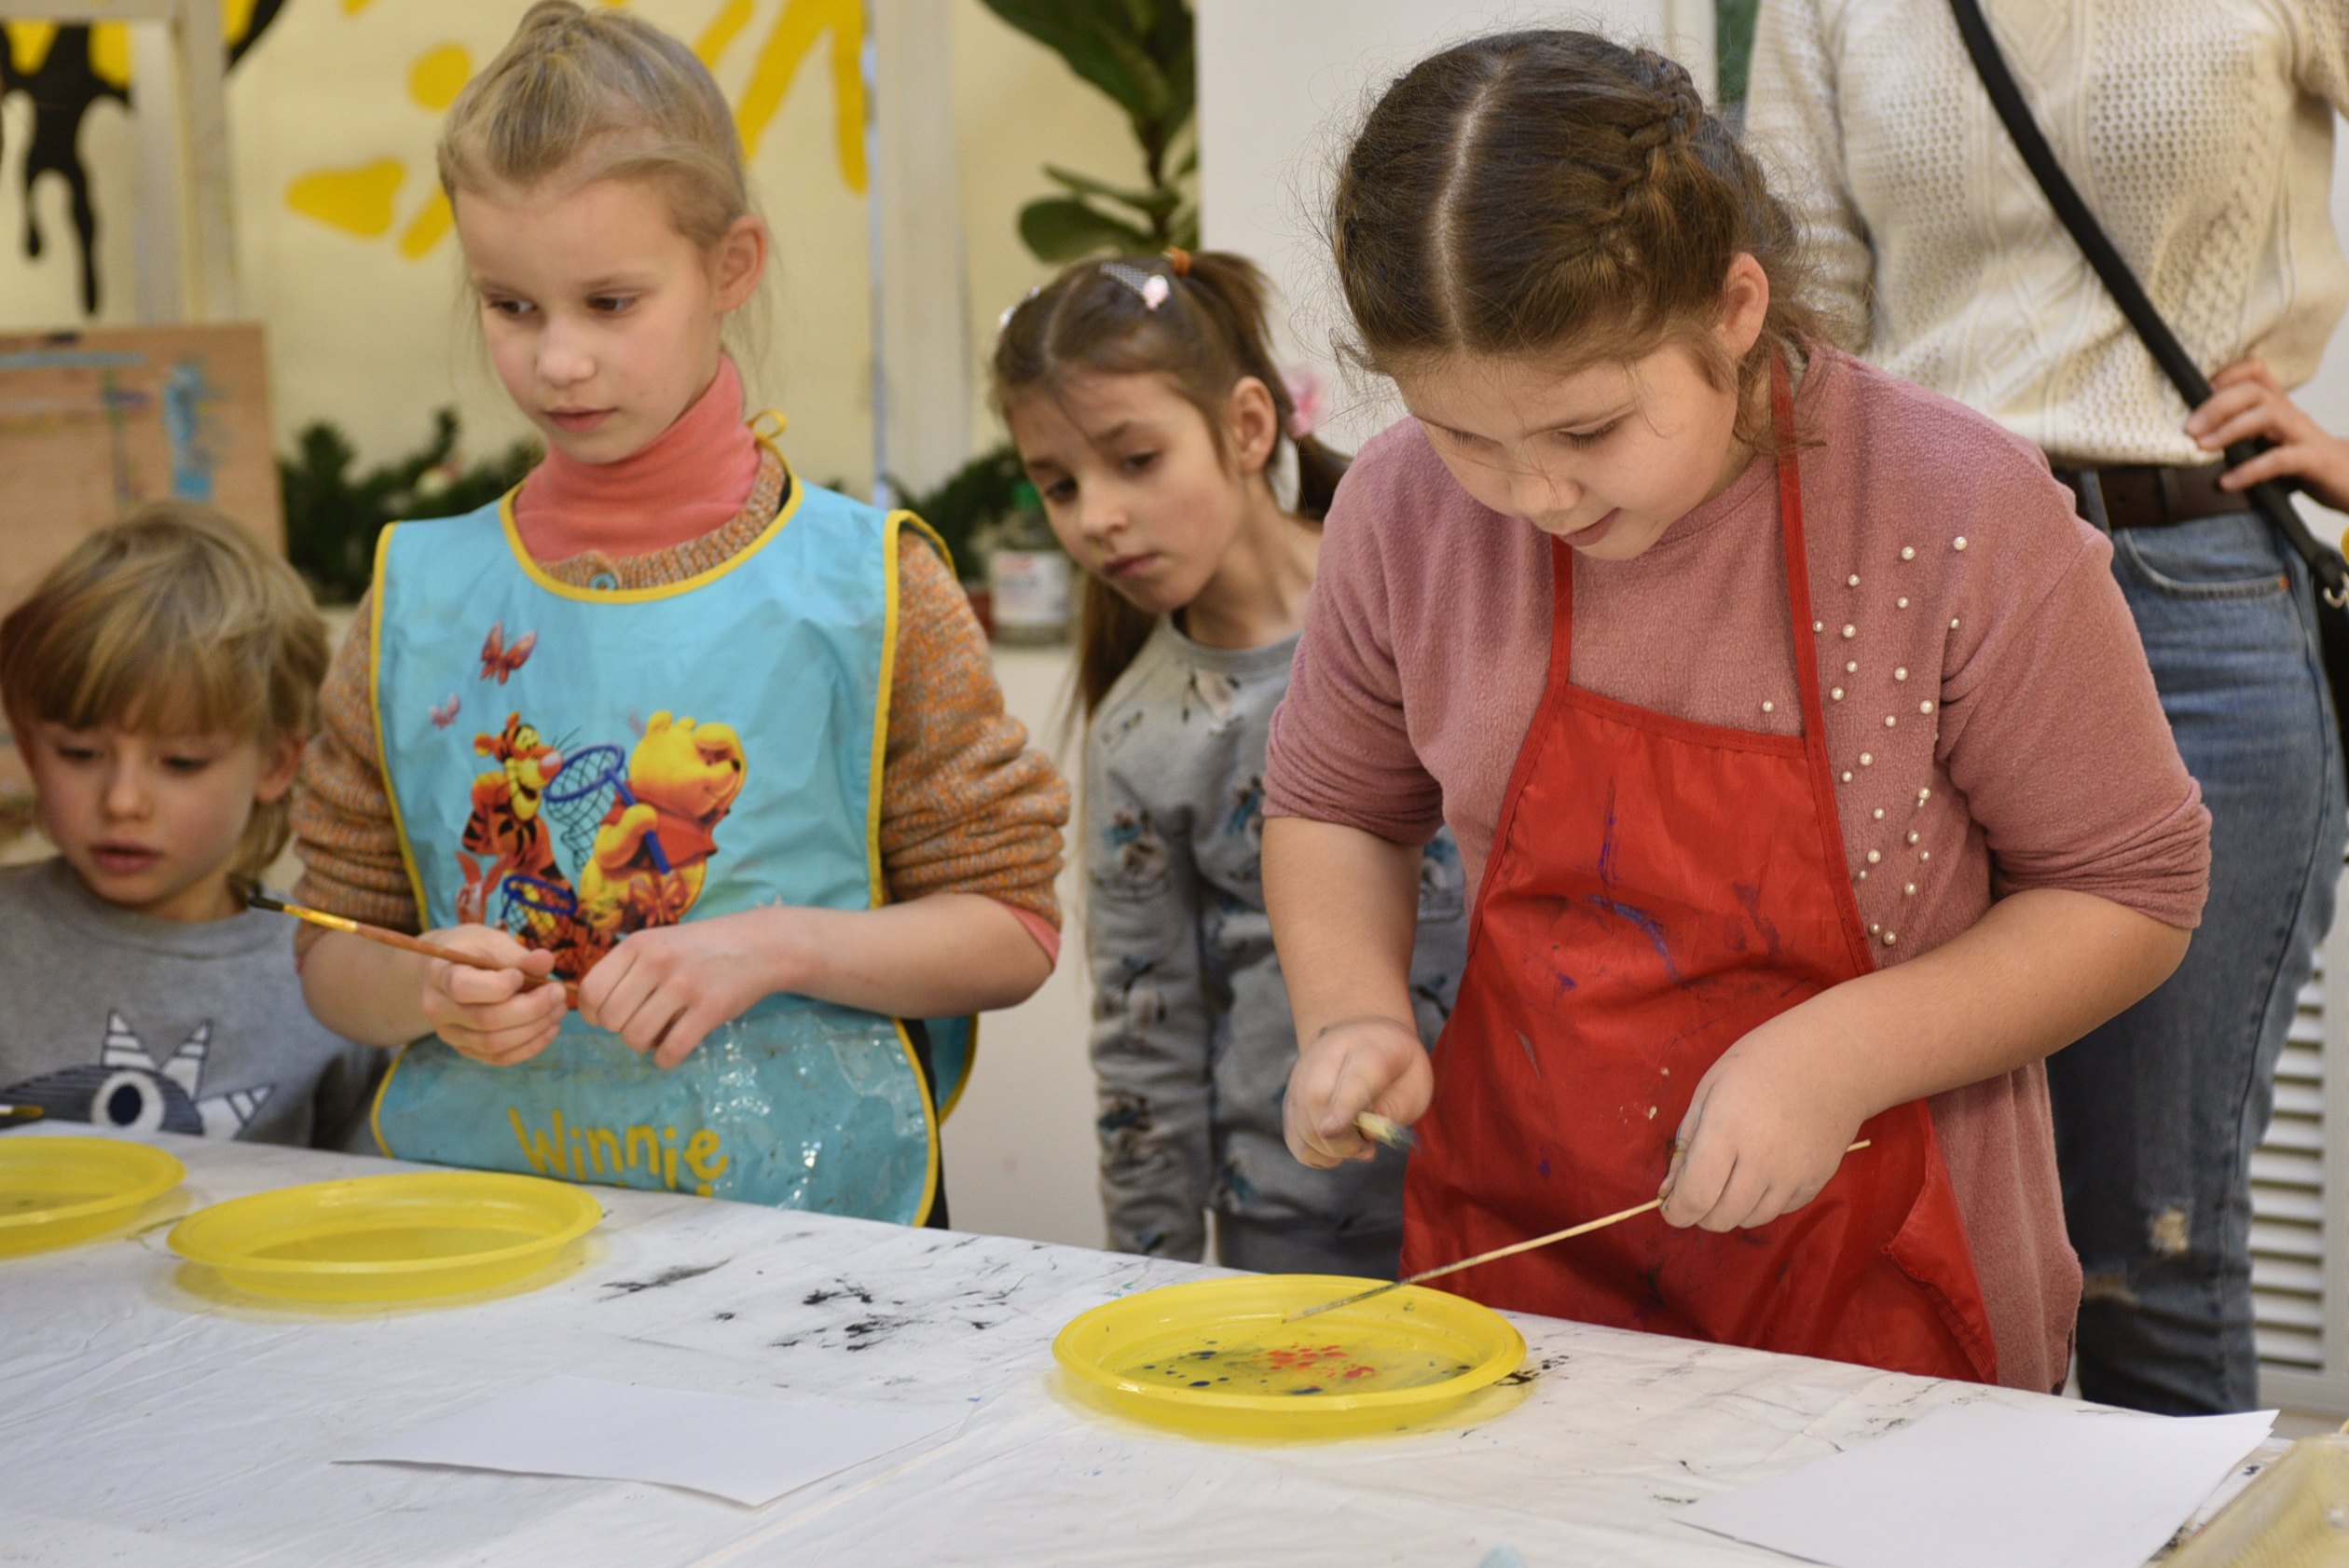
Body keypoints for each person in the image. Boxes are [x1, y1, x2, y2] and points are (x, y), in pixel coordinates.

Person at [1261, 30, 2212, 1393]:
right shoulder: (1402, 510)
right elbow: (1337, 802)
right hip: (1529, 1272)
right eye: (1470, 435)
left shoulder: (1952, 510)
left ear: (1735, 307)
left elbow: (2134, 887)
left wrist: (1840, 1053)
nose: (1535, 495)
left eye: (1589, 431)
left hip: (1883, 1293)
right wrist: (1348, 1012)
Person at [289, 2, 1066, 1225]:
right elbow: (333, 947)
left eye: (610, 303)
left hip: (810, 1246)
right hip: (486, 1235)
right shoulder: (419, 595)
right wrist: (423, 991)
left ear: (730, 266)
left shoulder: (869, 586)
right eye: (510, 305)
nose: (558, 363)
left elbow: (1013, 927)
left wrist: (775, 947)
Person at [1747, 0, 2349, 1415]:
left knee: (2152, 1234)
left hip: (2195, 594)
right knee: (1897, 1199)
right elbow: (1798, 304)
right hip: (1915, 604)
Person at [994, 250, 1469, 1277]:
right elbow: (1145, 1043)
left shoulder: (1432, 597)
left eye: (1135, 460)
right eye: (1059, 485)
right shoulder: (1139, 736)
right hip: (1300, 1225)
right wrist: (1148, 1277)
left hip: (1533, 1192)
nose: (1095, 516)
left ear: (1248, 426)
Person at [0, 503, 379, 1148]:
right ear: (32, 751)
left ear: (278, 763)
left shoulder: (338, 975)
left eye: (181, 762)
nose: (122, 801)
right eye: (79, 754)